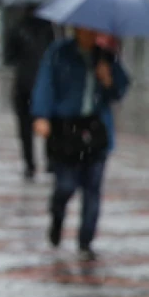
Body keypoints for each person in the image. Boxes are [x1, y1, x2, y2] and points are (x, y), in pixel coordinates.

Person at [31, 26, 130, 262]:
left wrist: (108, 80)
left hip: (96, 129)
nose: (89, 33)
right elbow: (46, 84)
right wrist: (41, 115)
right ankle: (57, 217)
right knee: (65, 185)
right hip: (65, 129)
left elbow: (120, 89)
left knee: (92, 188)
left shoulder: (105, 56)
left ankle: (85, 241)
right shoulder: (58, 53)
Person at [5, 7, 58, 180]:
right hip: (44, 82)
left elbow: (8, 57)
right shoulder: (48, 28)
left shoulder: (18, 28)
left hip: (24, 84)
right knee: (48, 122)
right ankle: (50, 161)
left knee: (25, 127)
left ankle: (30, 164)